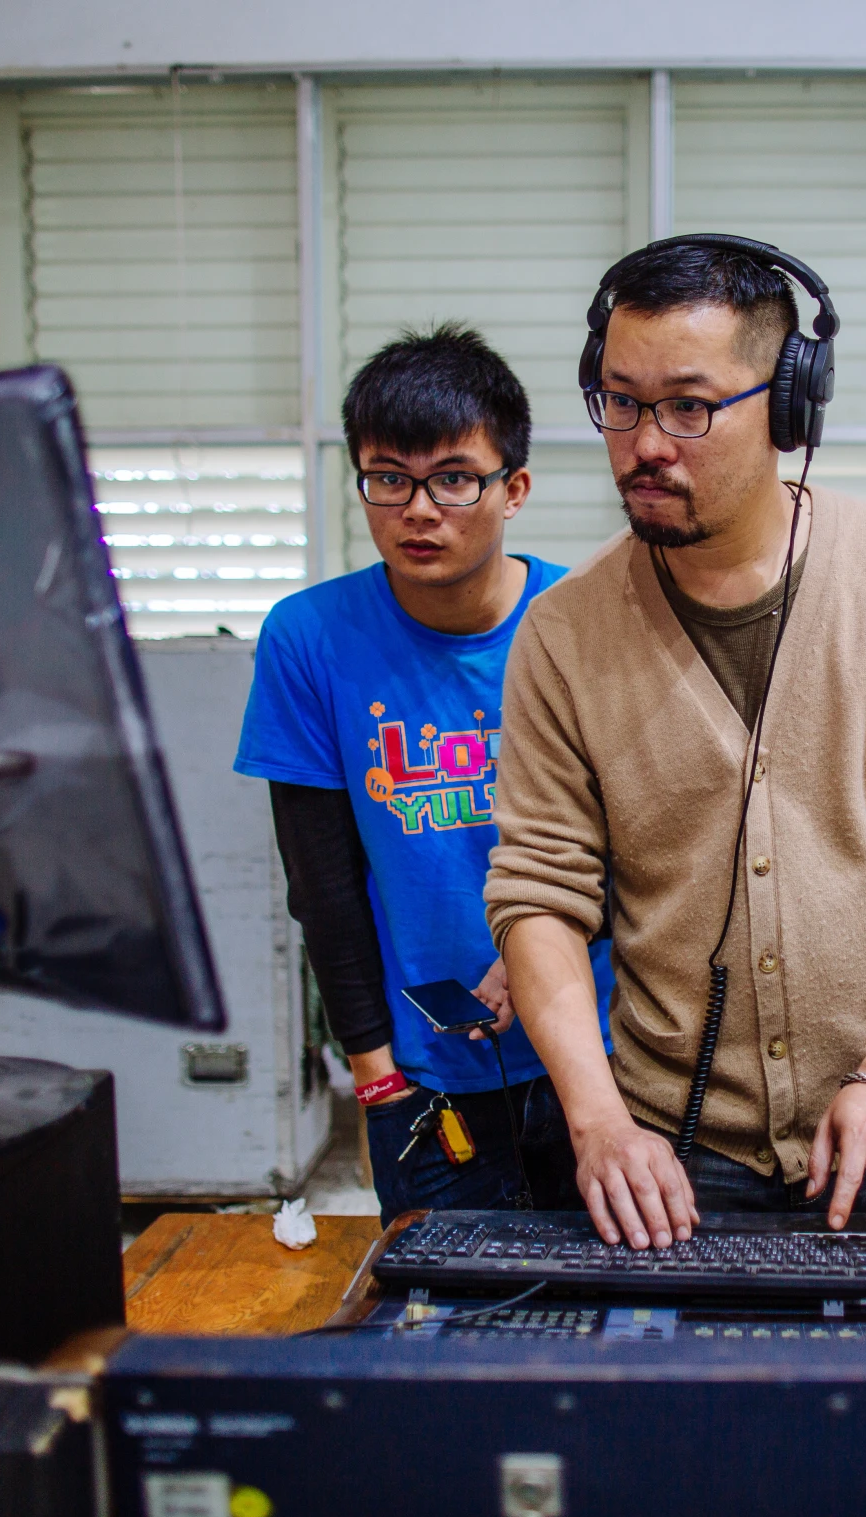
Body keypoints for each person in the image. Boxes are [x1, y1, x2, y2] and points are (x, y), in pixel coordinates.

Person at [485, 238, 866, 1259]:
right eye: (619, 401)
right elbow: (538, 894)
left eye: (689, 407)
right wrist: (597, 1119)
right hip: (673, 1156)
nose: (644, 443)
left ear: (790, 408)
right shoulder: (562, 635)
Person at [236, 323, 610, 1222]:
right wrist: (372, 1070)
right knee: (442, 1325)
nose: (418, 508)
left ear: (513, 488)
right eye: (388, 478)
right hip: (423, 1076)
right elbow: (320, 882)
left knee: (609, 1321)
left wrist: (545, 948)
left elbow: (652, 838)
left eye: (453, 477)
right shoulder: (309, 637)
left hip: (597, 1057)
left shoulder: (590, 620)